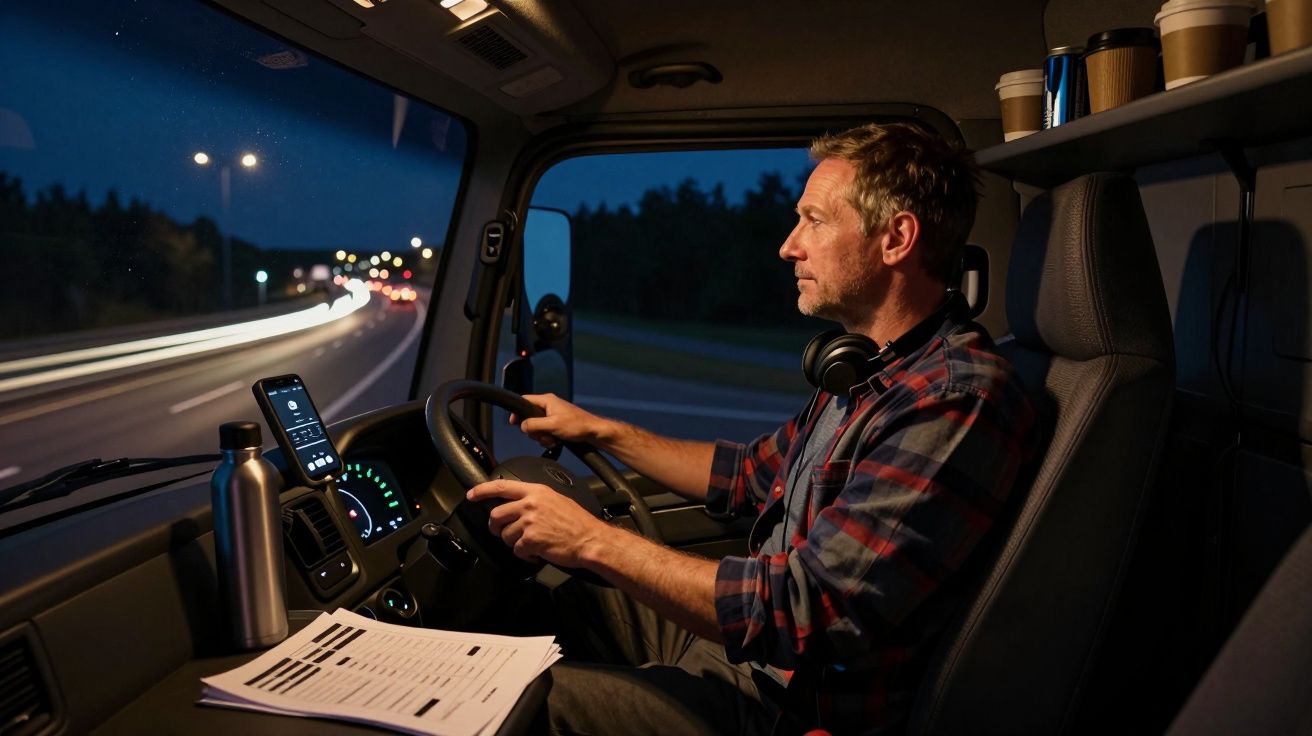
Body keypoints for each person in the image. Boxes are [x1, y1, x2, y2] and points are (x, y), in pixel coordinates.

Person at [468, 122, 1039, 734]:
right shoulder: (866, 371)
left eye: (814, 221)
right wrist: (597, 430)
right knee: (546, 607)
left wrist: (590, 540)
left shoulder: (951, 398)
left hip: (787, 707)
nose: (789, 246)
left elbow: (804, 611)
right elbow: (745, 474)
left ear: (896, 238)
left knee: (517, 702)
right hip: (753, 663)